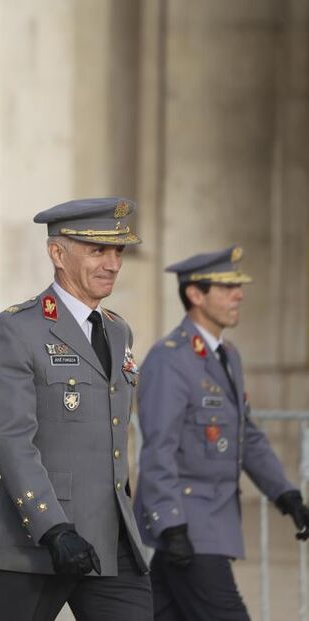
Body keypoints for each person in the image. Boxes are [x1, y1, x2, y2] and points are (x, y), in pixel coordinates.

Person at [0, 198, 152, 620]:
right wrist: (52, 528)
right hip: (42, 540)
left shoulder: (118, 330)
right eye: (97, 250)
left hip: (112, 538)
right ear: (57, 253)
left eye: (118, 251)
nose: (112, 263)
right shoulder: (17, 329)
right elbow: (13, 440)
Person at [134, 245, 309, 620]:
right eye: (227, 287)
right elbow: (158, 449)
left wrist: (286, 494)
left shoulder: (227, 355)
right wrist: (170, 522)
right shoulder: (170, 359)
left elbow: (247, 435)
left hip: (213, 523)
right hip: (190, 525)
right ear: (195, 294)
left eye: (238, 286)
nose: (239, 295)